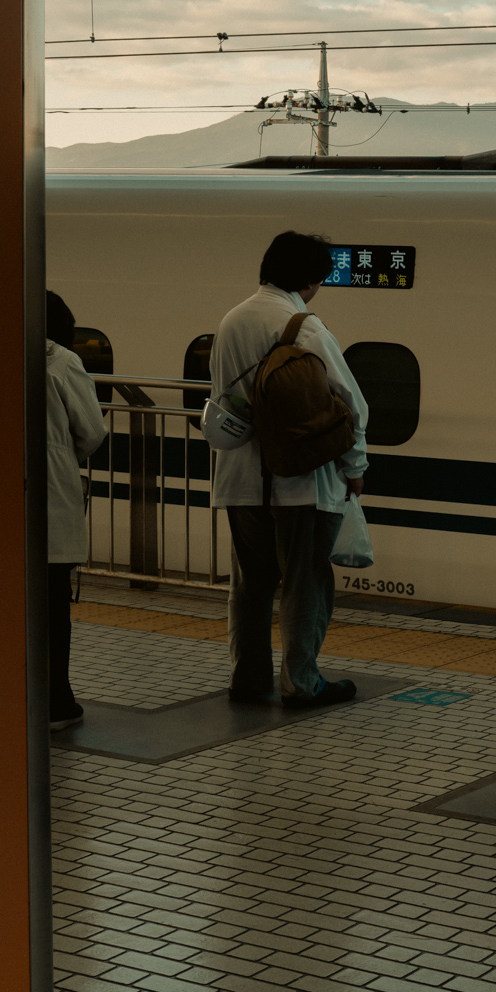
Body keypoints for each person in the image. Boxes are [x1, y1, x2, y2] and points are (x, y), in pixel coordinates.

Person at [210, 231, 370, 707]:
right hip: (300, 481)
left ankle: (248, 677)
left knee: (250, 584)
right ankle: (301, 683)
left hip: (240, 479)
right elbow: (351, 403)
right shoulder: (304, 327)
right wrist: (356, 466)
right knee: (305, 582)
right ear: (309, 279)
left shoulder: (231, 320)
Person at [44, 291, 109, 731]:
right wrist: (64, 453)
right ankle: (56, 703)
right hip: (51, 502)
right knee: (53, 608)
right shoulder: (62, 362)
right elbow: (93, 431)